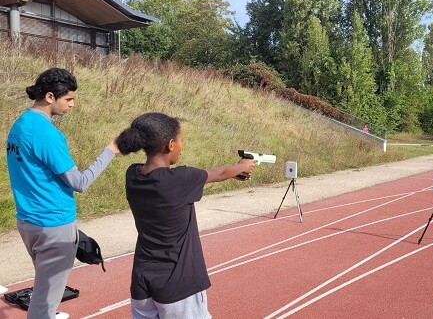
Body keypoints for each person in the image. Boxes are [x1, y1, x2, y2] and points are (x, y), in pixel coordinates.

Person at [115, 112, 256, 319]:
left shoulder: (132, 174)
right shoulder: (180, 179)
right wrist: (242, 166)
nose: (182, 146)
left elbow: (217, 173)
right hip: (179, 283)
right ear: (170, 145)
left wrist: (235, 170)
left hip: (141, 280)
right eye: (181, 141)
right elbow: (221, 173)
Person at [6, 68, 120, 319]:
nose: (72, 105)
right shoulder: (46, 133)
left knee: (46, 288)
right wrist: (110, 151)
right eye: (69, 99)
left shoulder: (20, 123)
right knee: (44, 305)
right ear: (49, 97)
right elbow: (79, 182)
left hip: (28, 222)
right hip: (53, 224)